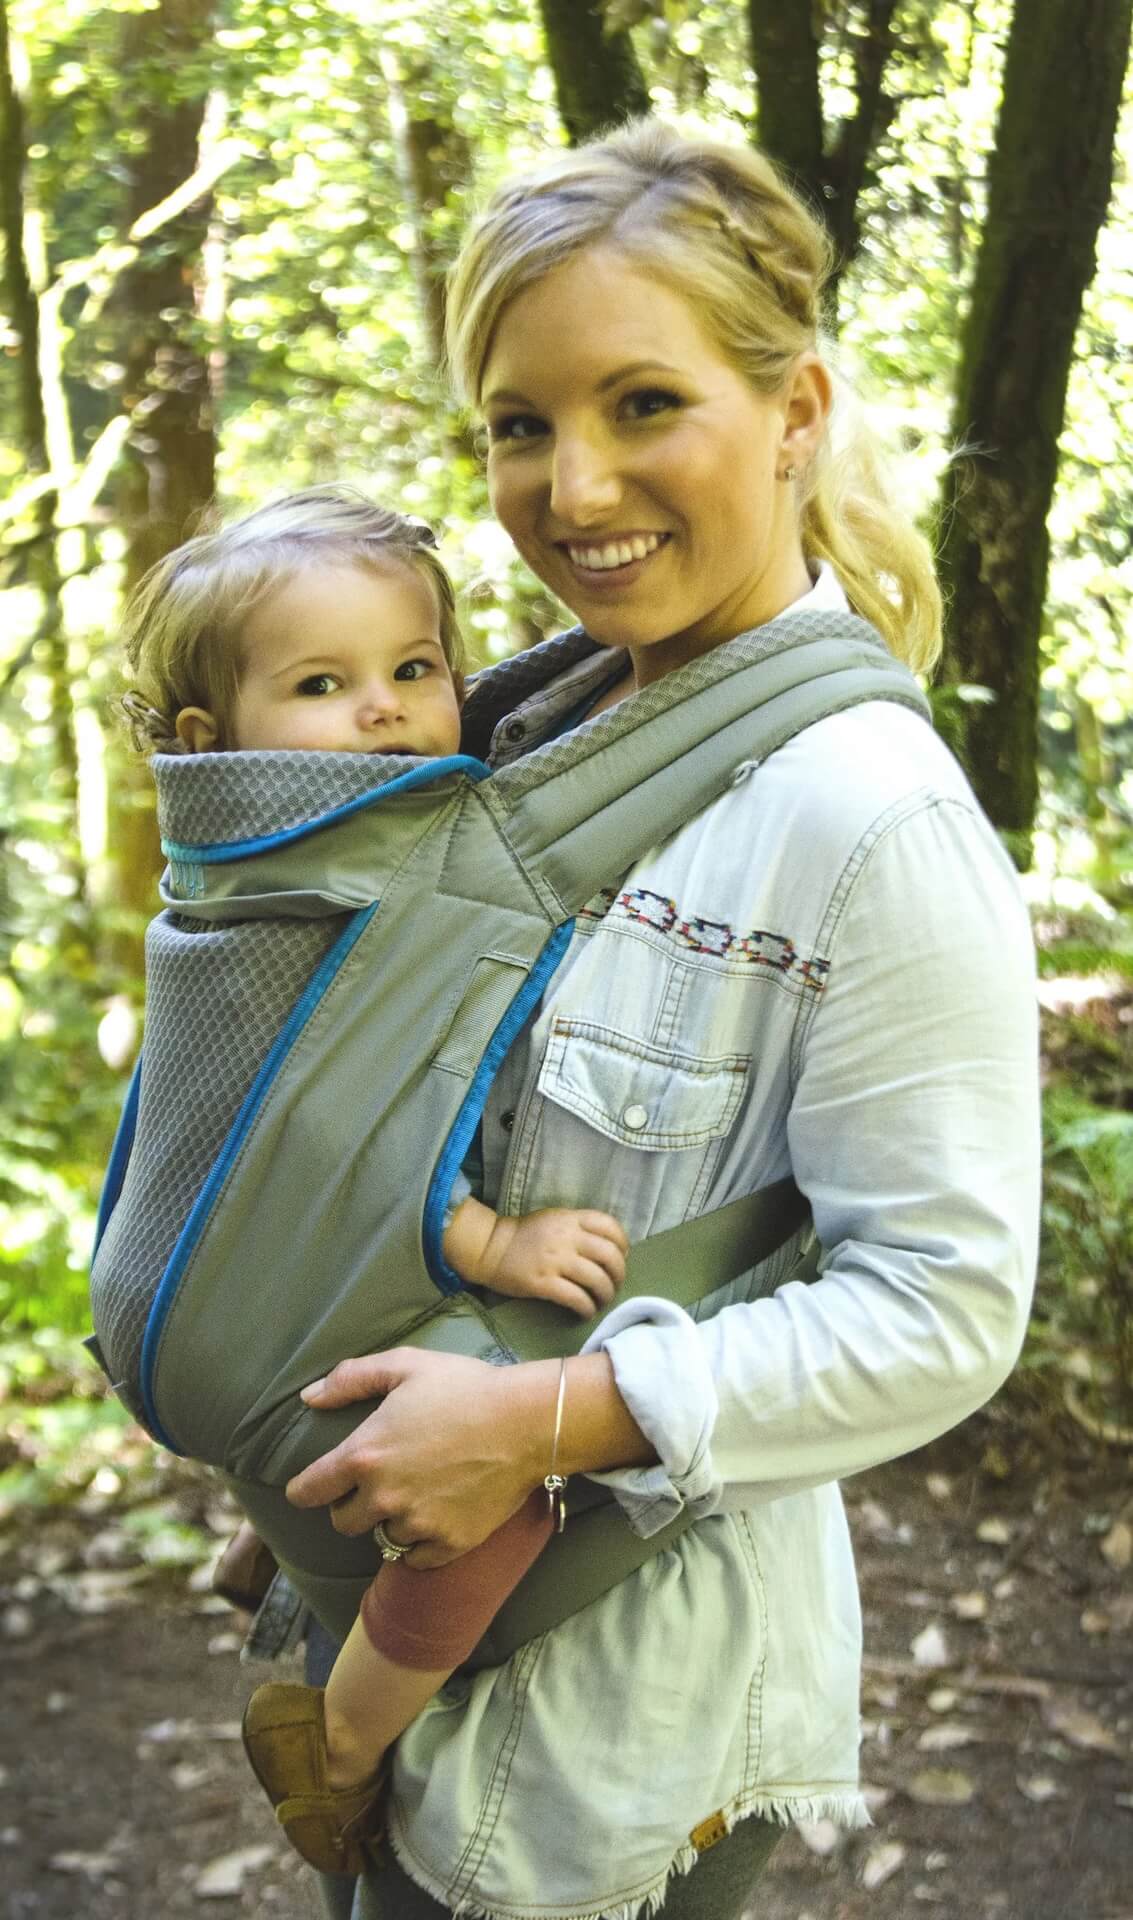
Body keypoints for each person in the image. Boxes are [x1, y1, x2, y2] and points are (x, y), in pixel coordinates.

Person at [275, 120, 1040, 1920]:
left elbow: (942, 1308)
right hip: (406, 1641)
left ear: (794, 408)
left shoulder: (869, 817)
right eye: (520, 426)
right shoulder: (524, 740)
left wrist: (545, 1416)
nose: (573, 487)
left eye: (641, 404)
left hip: (613, 1708)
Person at [119, 488, 629, 1864]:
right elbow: (334, 1127)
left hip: (192, 1293)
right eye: (322, 683)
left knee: (368, 1420)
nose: (386, 711)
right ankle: (333, 1741)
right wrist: (486, 1246)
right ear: (207, 743)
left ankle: (273, 1546)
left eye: (414, 669)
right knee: (494, 1513)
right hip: (236, 1305)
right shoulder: (308, 878)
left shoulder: (242, 860)